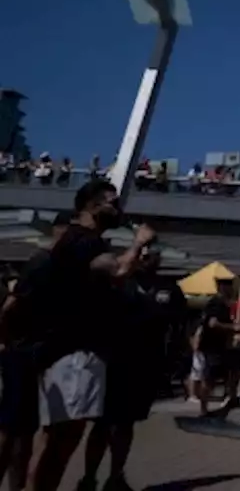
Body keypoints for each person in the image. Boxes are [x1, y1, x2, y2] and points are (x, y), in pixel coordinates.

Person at [4, 181, 153, 491]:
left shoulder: (79, 243)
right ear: (92, 206)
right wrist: (138, 243)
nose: (118, 209)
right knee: (63, 439)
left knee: (59, 438)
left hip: (71, 351)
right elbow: (118, 270)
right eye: (112, 202)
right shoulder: (83, 241)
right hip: (74, 354)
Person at [78, 248, 186, 491]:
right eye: (143, 254)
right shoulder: (120, 284)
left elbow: (177, 326)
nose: (146, 259)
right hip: (112, 362)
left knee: (126, 423)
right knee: (102, 423)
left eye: (152, 254)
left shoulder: (168, 288)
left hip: (143, 365)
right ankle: (88, 478)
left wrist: (174, 361)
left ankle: (116, 477)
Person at [0, 211, 70, 491]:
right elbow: (8, 309)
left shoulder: (57, 265)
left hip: (33, 355)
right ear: (59, 230)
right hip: (22, 354)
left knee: (24, 432)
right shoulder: (42, 263)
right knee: (11, 431)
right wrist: (7, 345)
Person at [191, 277, 238, 416]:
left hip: (222, 346)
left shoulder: (225, 304)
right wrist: (233, 327)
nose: (230, 289)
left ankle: (231, 399)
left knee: (231, 373)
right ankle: (203, 408)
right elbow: (213, 323)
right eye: (227, 286)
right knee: (209, 378)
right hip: (212, 346)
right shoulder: (216, 303)